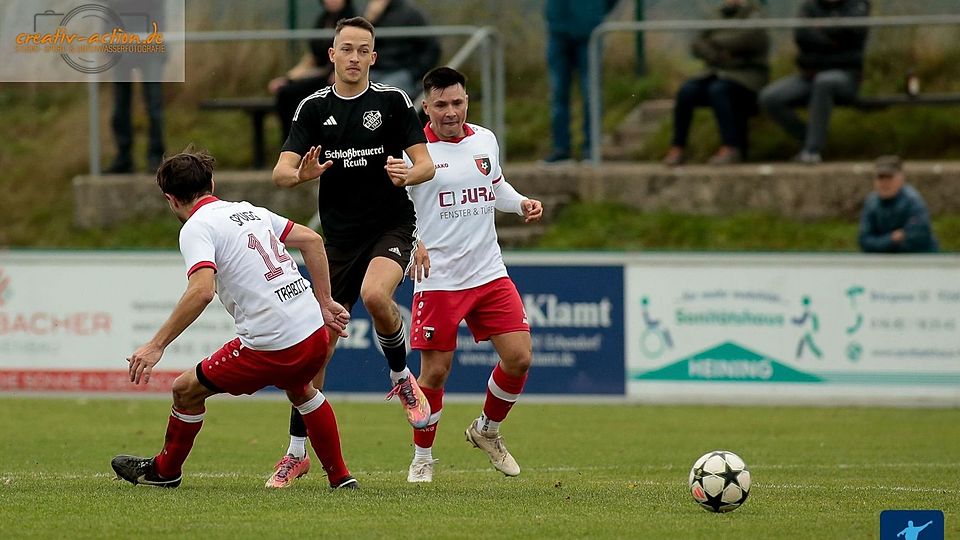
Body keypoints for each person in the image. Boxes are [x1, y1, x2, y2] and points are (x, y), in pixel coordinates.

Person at [111, 148, 357, 490]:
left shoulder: (196, 228)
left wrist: (156, 345)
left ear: (170, 200)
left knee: (185, 390)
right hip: (314, 329)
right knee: (302, 389)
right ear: (211, 183)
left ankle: (166, 471)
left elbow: (201, 291)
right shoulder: (247, 210)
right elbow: (312, 240)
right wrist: (326, 301)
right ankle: (341, 478)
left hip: (273, 344)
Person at [269, 16, 436, 488]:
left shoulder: (392, 102)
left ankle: (402, 377)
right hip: (337, 242)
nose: (355, 57)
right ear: (333, 54)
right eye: (347, 49)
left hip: (390, 225)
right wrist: (303, 174)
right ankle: (295, 453)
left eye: (364, 50)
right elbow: (280, 172)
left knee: (378, 297)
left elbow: (424, 163)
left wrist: (411, 174)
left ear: (374, 58)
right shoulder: (312, 107)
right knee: (314, 359)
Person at [403, 66, 543, 483]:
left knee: (519, 358)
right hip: (439, 276)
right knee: (436, 373)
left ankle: (487, 430)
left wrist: (520, 204)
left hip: (488, 271)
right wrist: (413, 242)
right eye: (441, 104)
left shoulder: (484, 139)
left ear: (467, 101)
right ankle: (422, 458)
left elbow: (495, 186)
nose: (451, 112)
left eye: (458, 102)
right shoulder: (411, 151)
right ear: (425, 106)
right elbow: (394, 208)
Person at [759, 0, 871, 164]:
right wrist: (833, 38)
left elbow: (852, 31)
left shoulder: (857, 5)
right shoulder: (810, 6)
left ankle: (812, 150)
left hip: (845, 76)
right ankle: (810, 137)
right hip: (808, 75)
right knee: (769, 97)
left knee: (823, 82)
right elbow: (801, 35)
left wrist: (818, 33)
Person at [663, 0, 769, 166]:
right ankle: (678, 147)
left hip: (746, 77)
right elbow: (696, 43)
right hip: (715, 72)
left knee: (719, 90)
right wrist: (719, 55)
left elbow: (748, 39)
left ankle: (730, 147)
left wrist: (714, 40)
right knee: (686, 91)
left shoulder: (754, 13)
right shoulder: (716, 14)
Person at [542, 0, 618, 163]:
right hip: (558, 31)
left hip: (589, 32)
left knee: (590, 93)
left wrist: (594, 10)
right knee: (558, 93)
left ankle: (591, 149)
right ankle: (561, 149)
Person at [270, 0, 357, 142]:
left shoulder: (352, 22)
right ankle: (291, 146)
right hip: (320, 74)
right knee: (285, 92)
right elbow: (312, 59)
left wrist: (341, 73)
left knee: (298, 96)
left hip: (337, 77)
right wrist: (287, 78)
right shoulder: (323, 20)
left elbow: (355, 53)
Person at [858, 155, 938, 253]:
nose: (884, 183)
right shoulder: (871, 203)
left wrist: (881, 243)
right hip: (884, 263)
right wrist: (891, 239)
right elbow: (864, 241)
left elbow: (919, 236)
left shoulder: (913, 201)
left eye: (889, 178)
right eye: (880, 178)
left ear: (901, 178)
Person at [363, 0, 441, 99]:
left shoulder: (411, 14)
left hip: (401, 71)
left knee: (383, 93)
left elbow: (432, 48)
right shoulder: (367, 11)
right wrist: (368, 21)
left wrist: (413, 73)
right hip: (373, 70)